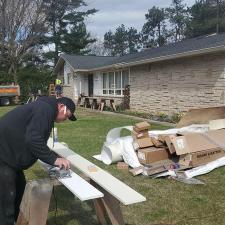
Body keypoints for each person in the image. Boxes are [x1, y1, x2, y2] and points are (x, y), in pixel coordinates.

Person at [0, 96, 77, 225]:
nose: (65, 120)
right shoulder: (45, 109)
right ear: (61, 107)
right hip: (3, 156)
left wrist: (52, 156)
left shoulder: (45, 109)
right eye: (67, 116)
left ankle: (21, 221)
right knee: (6, 201)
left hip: (11, 157)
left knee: (21, 194)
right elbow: (33, 140)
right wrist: (55, 160)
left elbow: (35, 138)